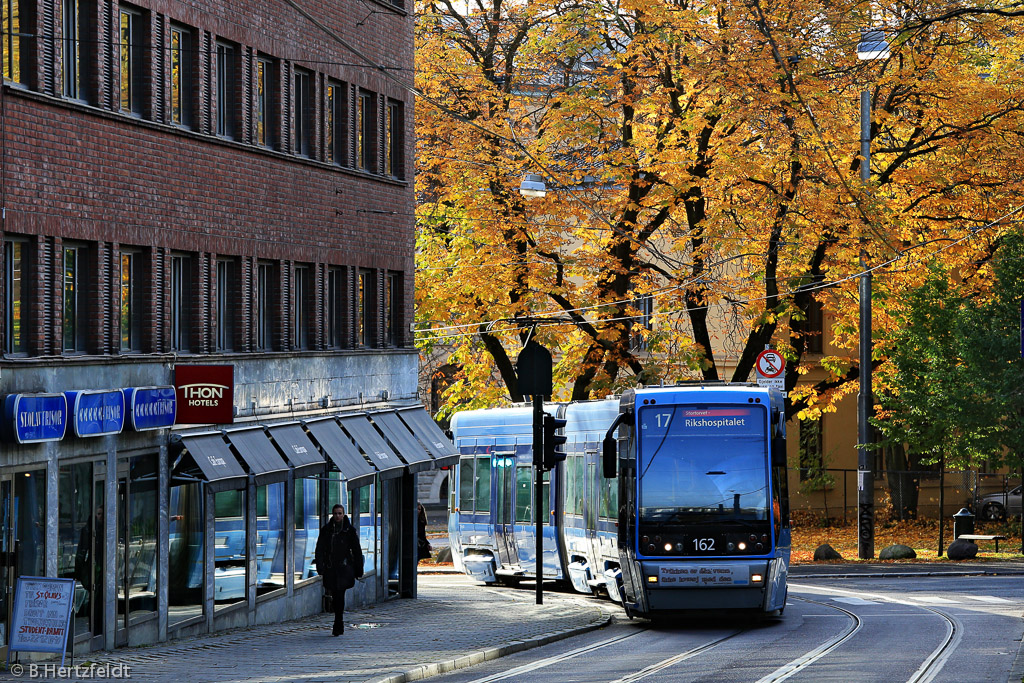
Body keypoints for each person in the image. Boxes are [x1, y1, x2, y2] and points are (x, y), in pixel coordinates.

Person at [314, 504, 364, 636]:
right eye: (335, 513)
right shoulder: (326, 530)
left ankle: (338, 621)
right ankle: (338, 619)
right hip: (331, 568)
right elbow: (319, 549)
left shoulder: (349, 530)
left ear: (343, 514)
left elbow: (357, 550)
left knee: (339, 594)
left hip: (344, 568)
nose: (337, 516)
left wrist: (359, 569)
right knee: (335, 594)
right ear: (332, 514)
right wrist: (320, 566)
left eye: (340, 513)